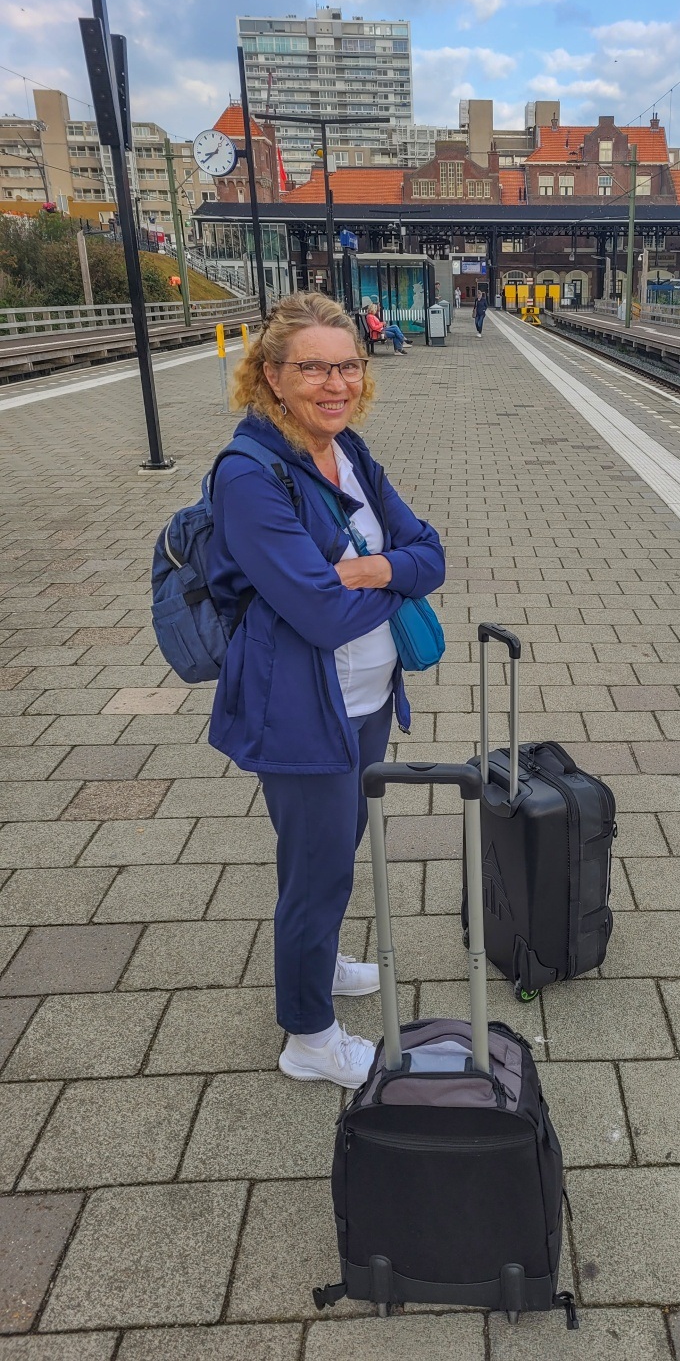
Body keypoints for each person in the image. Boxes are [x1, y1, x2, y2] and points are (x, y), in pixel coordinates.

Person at [207, 292, 444, 1089]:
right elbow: (318, 613)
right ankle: (308, 1037)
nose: (336, 384)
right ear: (272, 375)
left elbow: (431, 553)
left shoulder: (349, 452)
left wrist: (370, 569)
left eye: (348, 366)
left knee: (332, 851)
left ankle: (320, 962)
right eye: (313, 368)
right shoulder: (249, 475)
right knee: (317, 871)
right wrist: (391, 578)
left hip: (366, 700)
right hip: (302, 710)